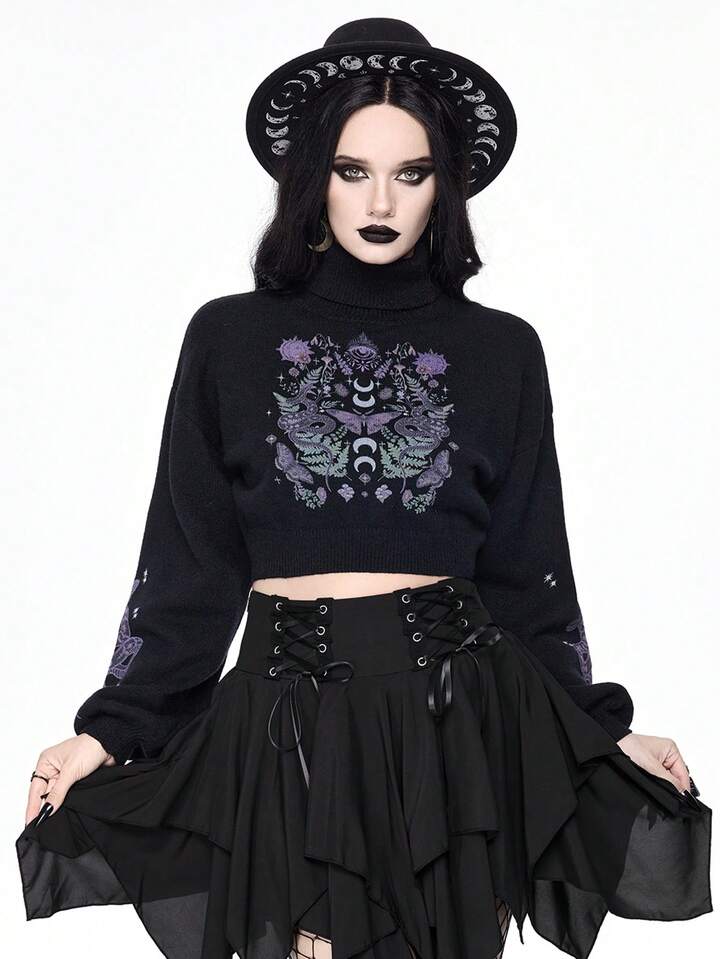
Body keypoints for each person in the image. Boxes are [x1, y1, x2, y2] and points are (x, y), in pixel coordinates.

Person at [17, 18, 711, 959]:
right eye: (353, 170)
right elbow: (189, 567)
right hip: (285, 729)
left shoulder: (502, 351)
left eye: (410, 173)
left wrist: (604, 730)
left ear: (443, 187)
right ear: (314, 178)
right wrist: (107, 732)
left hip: (454, 730)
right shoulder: (228, 339)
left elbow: (530, 575)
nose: (381, 199)